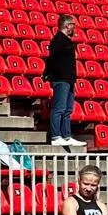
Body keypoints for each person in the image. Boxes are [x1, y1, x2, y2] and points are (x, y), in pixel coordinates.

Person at [44, 14, 80, 146]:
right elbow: (52, 60)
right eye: (72, 25)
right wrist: (49, 75)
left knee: (68, 109)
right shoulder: (58, 40)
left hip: (69, 79)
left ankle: (66, 135)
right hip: (61, 79)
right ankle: (56, 136)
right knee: (59, 108)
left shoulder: (67, 41)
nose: (74, 28)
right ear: (67, 26)